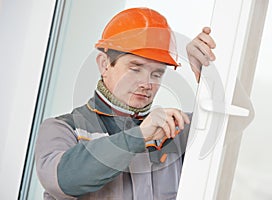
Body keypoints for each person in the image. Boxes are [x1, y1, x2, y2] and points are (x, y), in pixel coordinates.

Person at [35, 7, 216, 200]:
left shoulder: (174, 130)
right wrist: (139, 136)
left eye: (157, 74)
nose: (147, 84)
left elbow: (233, 123)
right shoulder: (63, 129)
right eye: (135, 69)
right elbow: (65, 179)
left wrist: (210, 71)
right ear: (104, 64)